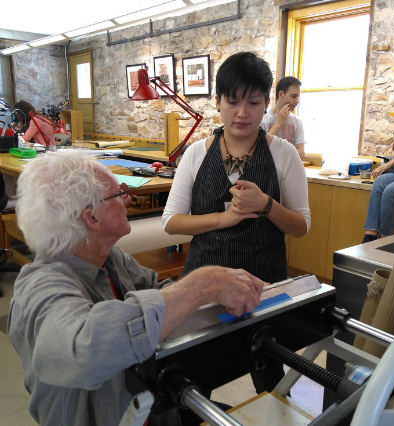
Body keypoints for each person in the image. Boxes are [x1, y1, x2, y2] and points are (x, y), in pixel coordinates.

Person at [7, 151, 265, 426]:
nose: (127, 198)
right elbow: (87, 349)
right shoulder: (38, 287)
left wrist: (226, 290)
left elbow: (158, 290)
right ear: (91, 218)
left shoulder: (111, 258)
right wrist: (203, 285)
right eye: (119, 193)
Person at [162, 52, 311, 393]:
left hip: (265, 285)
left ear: (266, 105)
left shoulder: (283, 154)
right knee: (194, 379)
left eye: (253, 102)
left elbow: (301, 226)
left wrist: (266, 205)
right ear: (218, 102)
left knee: (271, 380)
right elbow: (171, 222)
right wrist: (224, 218)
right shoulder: (197, 153)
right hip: (204, 286)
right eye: (232, 101)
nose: (242, 113)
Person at [260, 76, 306, 160]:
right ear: (281, 94)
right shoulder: (262, 119)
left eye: (298, 97)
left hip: (289, 172)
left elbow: (301, 154)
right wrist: (278, 124)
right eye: (293, 96)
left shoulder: (297, 122)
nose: (297, 101)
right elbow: (260, 150)